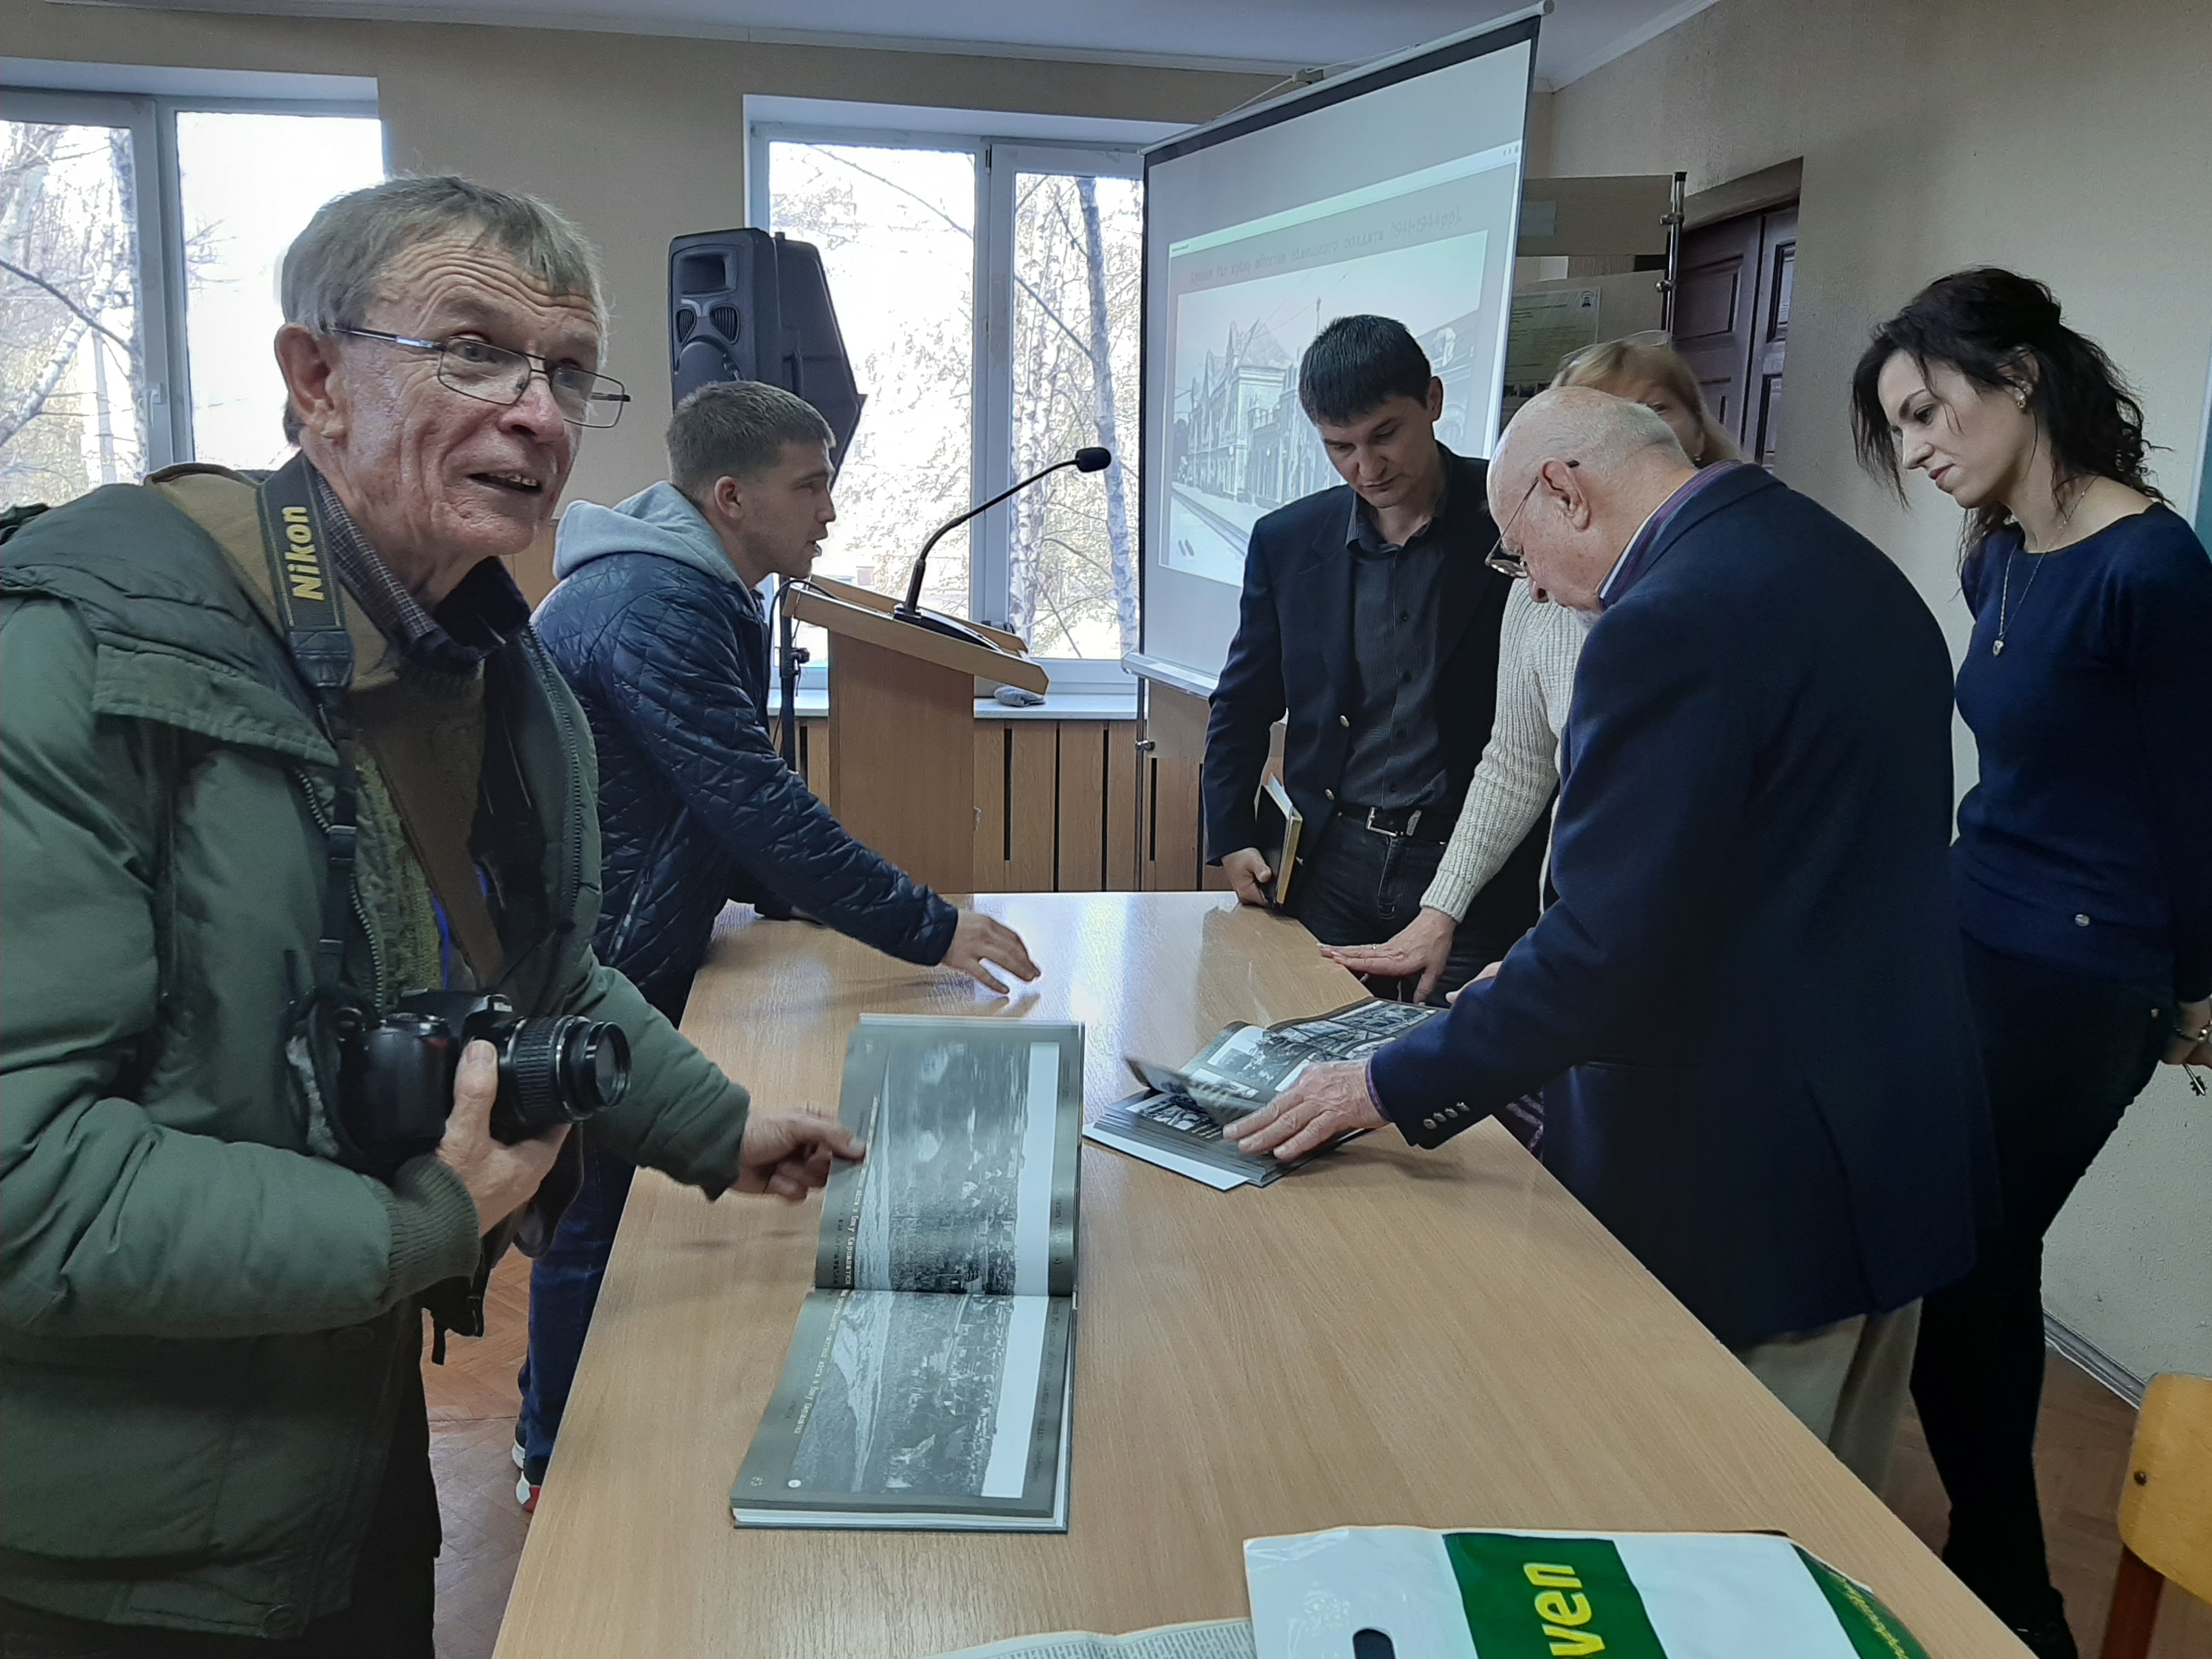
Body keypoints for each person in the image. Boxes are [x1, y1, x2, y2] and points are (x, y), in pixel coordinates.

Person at [0, 176, 860, 1656]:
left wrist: (718, 1130)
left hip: (342, 1449)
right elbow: (25, 1173)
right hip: (107, 1551)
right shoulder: (78, 663)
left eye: (569, 372)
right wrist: (419, 1223)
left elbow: (547, 977)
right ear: (317, 381)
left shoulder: (485, 666)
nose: (536, 411)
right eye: (471, 351)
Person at [1226, 388, 1991, 1493]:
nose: (1533, 585)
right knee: (1841, 1517)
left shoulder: (1663, 620)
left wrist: (1383, 1083)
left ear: (1565, 491)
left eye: (1519, 551)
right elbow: (1774, 868)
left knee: (1727, 1518)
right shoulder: (1835, 557)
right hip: (1893, 1134)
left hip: (1756, 1180)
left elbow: (1604, 951)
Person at [522, 379, 1039, 1506]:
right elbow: (750, 800)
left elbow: (700, 800)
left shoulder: (677, 584)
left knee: (596, 1207)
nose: (829, 512)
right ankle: (551, 1462)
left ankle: (548, 1441)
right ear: (730, 496)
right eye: (810, 487)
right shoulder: (659, 603)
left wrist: (793, 898)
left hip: (619, 935)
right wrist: (929, 925)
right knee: (589, 1215)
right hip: (590, 960)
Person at [1851, 268, 2212, 1659]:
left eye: (1928, 411)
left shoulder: (2152, 571)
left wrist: (2194, 1000)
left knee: (1970, 1260)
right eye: (1901, 424)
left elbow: (2197, 810)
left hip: (2088, 975)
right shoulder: (1999, 553)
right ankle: (1999, 1573)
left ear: (2019, 380)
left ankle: (2013, 1592)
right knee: (1960, 1262)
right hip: (1970, 932)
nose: (1918, 448)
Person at [1321, 338, 1741, 1020]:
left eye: (1651, 414)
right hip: (1586, 932)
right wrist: (1445, 912)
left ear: (1692, 428)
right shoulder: (1535, 585)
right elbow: (1517, 762)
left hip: (1682, 953)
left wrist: (1556, 960)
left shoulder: (1721, 580)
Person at [1204, 314, 1542, 998]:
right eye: (1340, 447)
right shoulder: (1287, 541)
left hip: (1473, 871)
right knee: (1308, 1045)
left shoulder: (1515, 518)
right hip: (1329, 860)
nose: (1366, 467)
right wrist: (1231, 831)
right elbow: (1243, 700)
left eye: (1385, 435)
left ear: (1434, 401)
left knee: (1453, 1059)